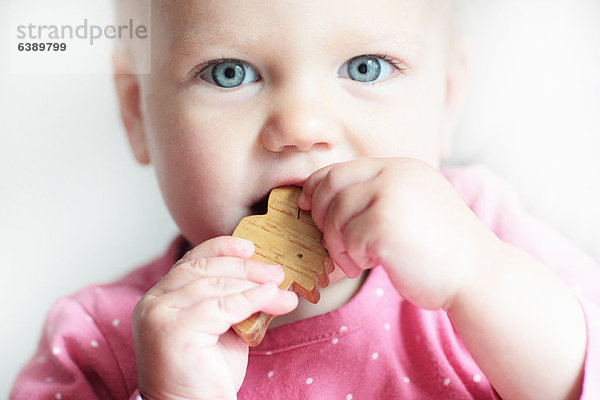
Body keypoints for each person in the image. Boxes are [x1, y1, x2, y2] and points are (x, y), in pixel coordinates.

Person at [11, 1, 600, 399]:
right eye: (229, 73)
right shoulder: (102, 339)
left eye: (365, 67)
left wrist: (477, 276)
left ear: (445, 100)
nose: (302, 124)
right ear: (139, 113)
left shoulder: (486, 234)